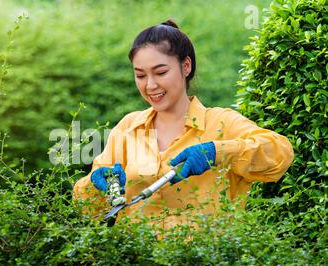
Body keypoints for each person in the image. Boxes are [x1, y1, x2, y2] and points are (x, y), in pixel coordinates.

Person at [73, 19, 294, 229]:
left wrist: (217, 152)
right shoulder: (129, 127)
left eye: (161, 72)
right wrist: (94, 186)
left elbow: (279, 154)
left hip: (209, 264)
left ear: (186, 66)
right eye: (140, 75)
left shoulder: (221, 122)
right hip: (134, 264)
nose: (150, 85)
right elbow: (89, 209)